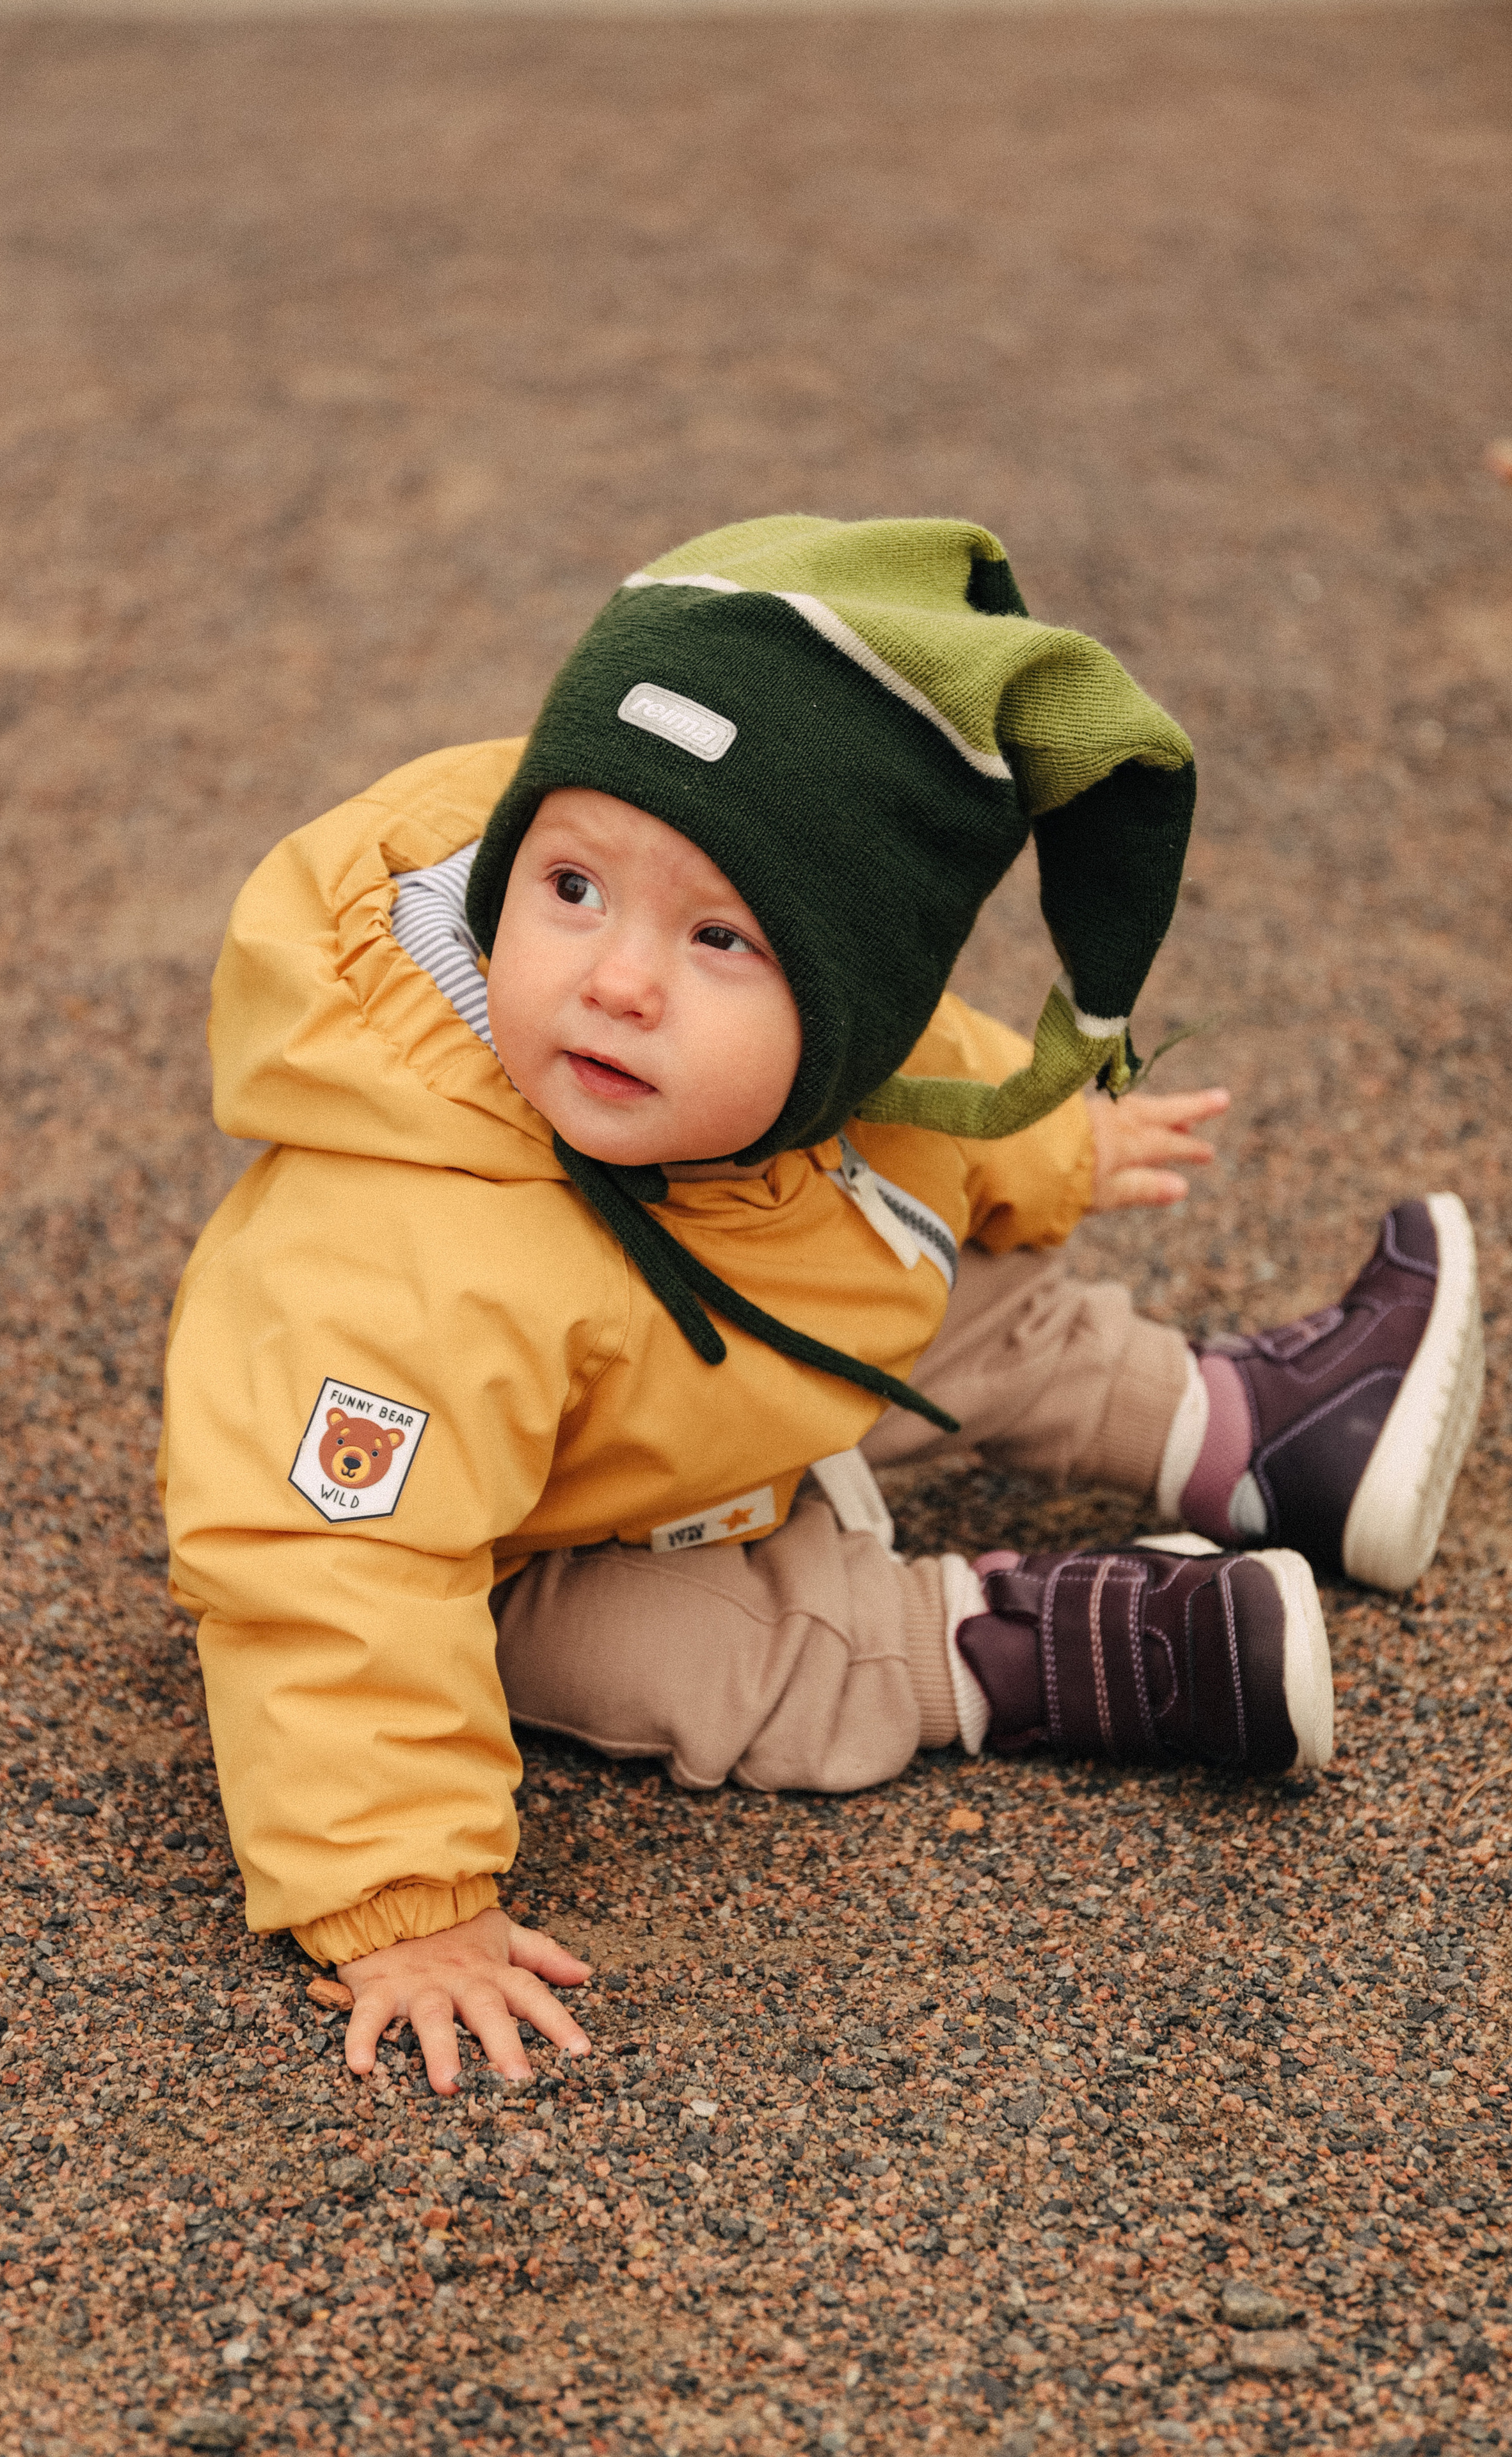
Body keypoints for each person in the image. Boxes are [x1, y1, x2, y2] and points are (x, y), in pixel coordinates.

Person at [160, 515, 1483, 2097]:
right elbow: (331, 1570)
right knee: (712, 1649)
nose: (617, 979)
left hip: (713, 1372)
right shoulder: (386, 1268)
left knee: (947, 1267)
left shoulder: (832, 1054)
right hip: (520, 1547)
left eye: (719, 937)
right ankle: (1009, 1647)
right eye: (568, 886)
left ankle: (1259, 1433)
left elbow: (934, 1062)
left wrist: (1048, 1136)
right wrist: (403, 1905)